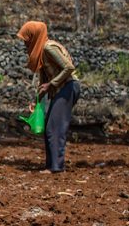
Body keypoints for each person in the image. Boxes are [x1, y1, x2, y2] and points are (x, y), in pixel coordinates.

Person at [16, 21, 81, 173]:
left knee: (55, 127)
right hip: (60, 88)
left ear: (34, 37)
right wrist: (36, 101)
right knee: (50, 127)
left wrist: (51, 84)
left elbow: (69, 67)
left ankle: (56, 167)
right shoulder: (41, 52)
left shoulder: (48, 48)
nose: (25, 43)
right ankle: (51, 165)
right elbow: (43, 83)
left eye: (27, 39)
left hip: (68, 87)